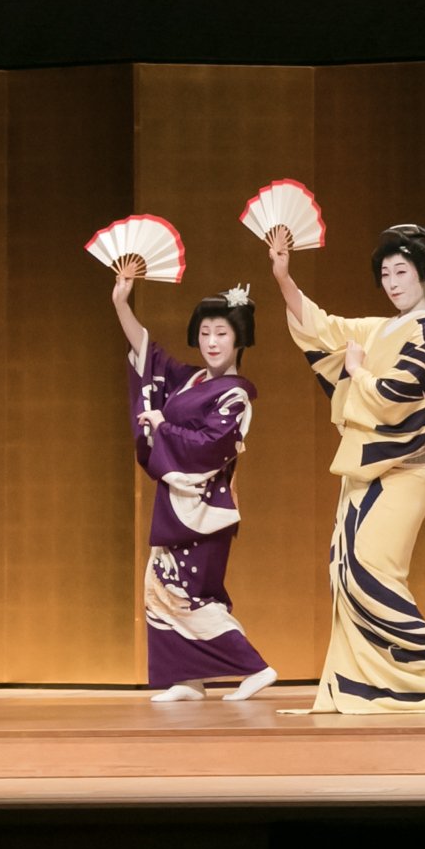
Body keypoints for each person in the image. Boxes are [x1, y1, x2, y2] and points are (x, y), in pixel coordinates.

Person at [271, 223, 425, 715]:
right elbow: (321, 328)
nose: (392, 282)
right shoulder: (380, 328)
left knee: (372, 570)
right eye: (385, 273)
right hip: (363, 469)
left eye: (401, 271)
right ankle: (367, 684)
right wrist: (282, 275)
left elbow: (400, 396)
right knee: (345, 571)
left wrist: (359, 371)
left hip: (403, 468)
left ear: (424, 274)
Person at [111, 265, 278, 704]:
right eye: (205, 333)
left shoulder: (235, 394)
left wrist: (164, 425)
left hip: (205, 510)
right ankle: (187, 677)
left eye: (221, 333)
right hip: (176, 505)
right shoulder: (191, 380)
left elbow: (212, 446)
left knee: (187, 593)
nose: (212, 342)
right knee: (160, 588)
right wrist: (121, 303)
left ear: (238, 338)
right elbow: (148, 353)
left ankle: (254, 666)